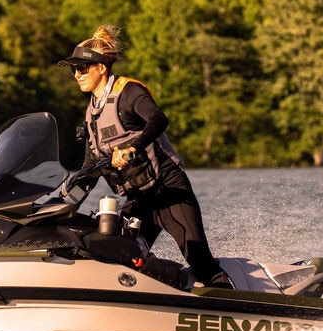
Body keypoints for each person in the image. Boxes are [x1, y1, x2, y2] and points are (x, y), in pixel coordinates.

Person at [59, 25, 233, 289]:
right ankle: (165, 291)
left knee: (199, 259)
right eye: (74, 69)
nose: (77, 74)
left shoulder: (128, 92)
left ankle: (229, 302)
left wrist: (134, 147)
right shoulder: (91, 113)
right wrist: (62, 202)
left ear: (101, 68)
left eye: (83, 68)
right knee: (118, 255)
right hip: (138, 199)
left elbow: (158, 119)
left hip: (168, 190)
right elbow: (90, 167)